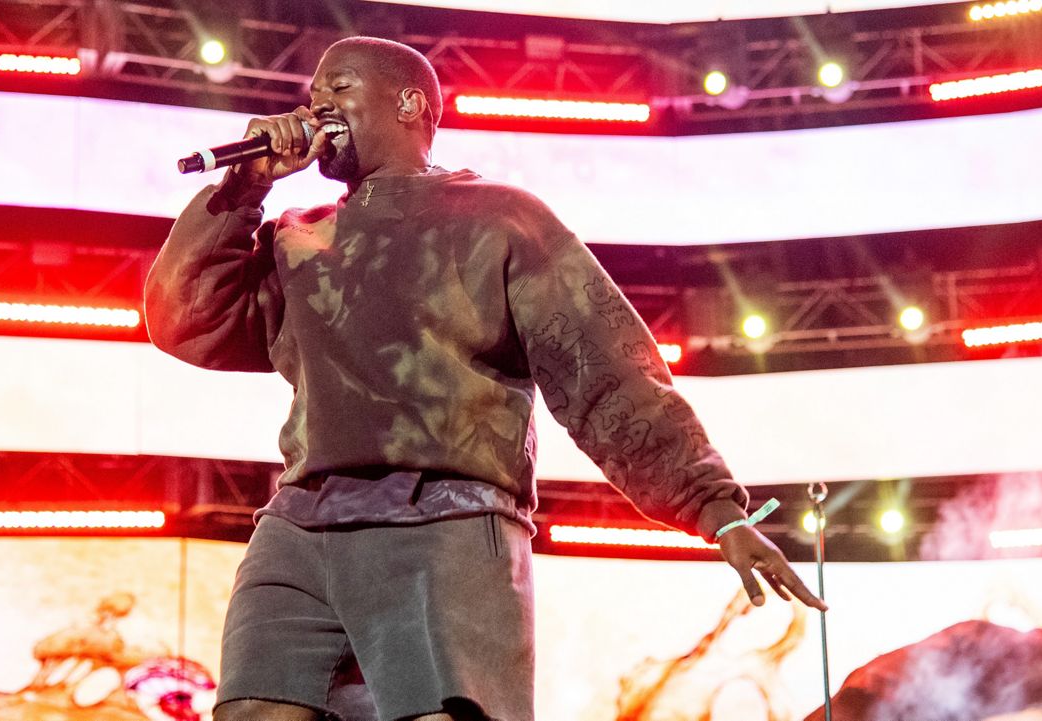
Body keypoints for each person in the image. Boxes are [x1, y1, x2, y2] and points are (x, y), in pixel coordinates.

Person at [145, 35, 827, 721]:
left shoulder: (502, 218)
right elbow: (183, 316)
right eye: (314, 92)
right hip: (303, 519)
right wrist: (246, 186)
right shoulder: (299, 237)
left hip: (445, 518)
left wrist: (716, 508)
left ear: (410, 103)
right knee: (251, 711)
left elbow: (608, 372)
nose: (318, 104)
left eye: (340, 87)